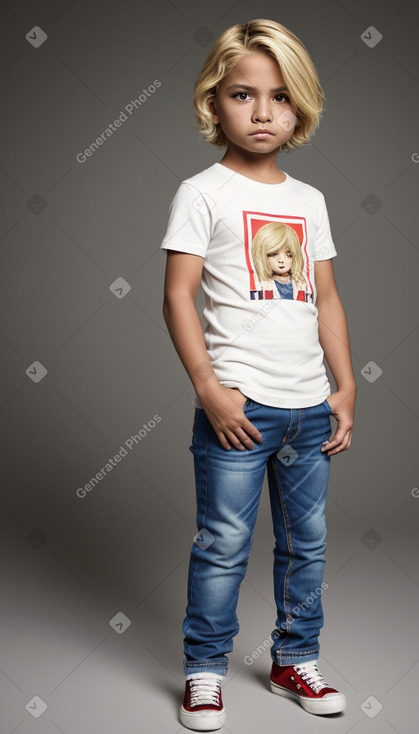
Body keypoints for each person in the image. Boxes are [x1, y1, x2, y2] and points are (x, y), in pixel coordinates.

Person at [161, 18, 356, 731]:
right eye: (243, 94)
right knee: (222, 544)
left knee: (306, 544)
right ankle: (204, 670)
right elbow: (177, 296)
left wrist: (346, 385)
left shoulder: (308, 202)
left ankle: (292, 657)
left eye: (278, 97)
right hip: (240, 407)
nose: (263, 111)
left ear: (299, 106)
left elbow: (324, 297)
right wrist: (209, 389)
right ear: (214, 102)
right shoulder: (201, 191)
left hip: (309, 407)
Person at [251, 221, 308, 301]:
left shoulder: (301, 285)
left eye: (289, 254)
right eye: (273, 254)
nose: (281, 260)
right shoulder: (261, 285)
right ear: (262, 256)